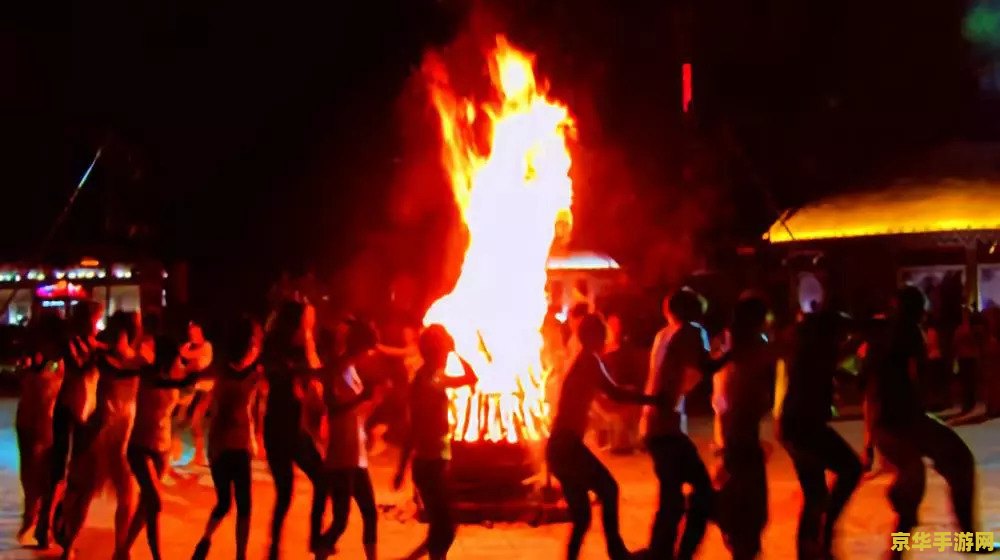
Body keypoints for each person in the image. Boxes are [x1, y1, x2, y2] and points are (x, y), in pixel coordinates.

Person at [862, 286, 997, 558]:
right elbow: (913, 375)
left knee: (913, 490)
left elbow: (868, 387)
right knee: (959, 462)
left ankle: (898, 551)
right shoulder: (908, 332)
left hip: (889, 423)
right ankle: (967, 538)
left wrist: (870, 437)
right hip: (906, 421)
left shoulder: (880, 338)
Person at [548, 313, 658, 560]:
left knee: (582, 517)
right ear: (596, 335)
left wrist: (632, 402)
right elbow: (614, 393)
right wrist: (651, 399)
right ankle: (616, 552)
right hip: (567, 445)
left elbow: (606, 403)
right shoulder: (590, 360)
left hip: (559, 446)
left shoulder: (581, 362)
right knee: (608, 489)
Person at [641, 288, 724, 560]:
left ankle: (661, 551)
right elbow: (706, 367)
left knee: (672, 497)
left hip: (655, 424)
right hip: (667, 427)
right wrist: (735, 353)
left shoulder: (663, 335)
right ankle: (677, 553)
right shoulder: (691, 331)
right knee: (699, 491)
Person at [57, 311, 145, 560]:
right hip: (107, 431)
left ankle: (117, 549)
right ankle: (76, 546)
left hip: (117, 431)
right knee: (95, 492)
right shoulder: (127, 360)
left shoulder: (121, 359)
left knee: (123, 494)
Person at [117, 314, 203, 560]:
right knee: (155, 501)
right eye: (177, 357)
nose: (180, 361)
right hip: (140, 445)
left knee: (147, 507)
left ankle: (122, 550)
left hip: (162, 446)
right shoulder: (148, 374)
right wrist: (186, 380)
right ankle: (157, 557)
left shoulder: (175, 376)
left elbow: (188, 383)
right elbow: (164, 385)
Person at [777, 309, 862, 560]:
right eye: (840, 334)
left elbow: (836, 371)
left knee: (815, 492)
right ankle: (824, 532)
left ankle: (811, 548)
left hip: (796, 426)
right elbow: (838, 359)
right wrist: (861, 339)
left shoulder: (809, 349)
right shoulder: (817, 350)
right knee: (850, 469)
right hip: (805, 426)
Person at [393, 324, 477, 560]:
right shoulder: (425, 381)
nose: (444, 356)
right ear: (433, 352)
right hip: (428, 465)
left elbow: (472, 377)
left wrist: (455, 351)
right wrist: (401, 468)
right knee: (444, 527)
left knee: (443, 527)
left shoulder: (436, 377)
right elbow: (413, 427)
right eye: (442, 351)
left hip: (438, 460)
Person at [192, 316, 265, 560]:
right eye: (254, 342)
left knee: (226, 503)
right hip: (232, 444)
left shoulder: (226, 371)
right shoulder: (245, 374)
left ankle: (205, 540)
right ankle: (237, 555)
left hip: (223, 444)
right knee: (241, 505)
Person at [35, 301, 104, 550]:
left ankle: (57, 522)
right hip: (68, 407)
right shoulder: (74, 341)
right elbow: (79, 365)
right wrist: (98, 353)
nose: (97, 324)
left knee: (75, 470)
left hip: (86, 408)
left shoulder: (93, 342)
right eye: (96, 318)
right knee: (61, 469)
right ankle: (45, 523)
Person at [261, 300, 327, 559]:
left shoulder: (299, 351)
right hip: (278, 429)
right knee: (285, 492)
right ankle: (274, 550)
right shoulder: (275, 351)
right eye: (307, 321)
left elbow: (317, 381)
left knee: (321, 479)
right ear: (295, 323)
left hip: (293, 428)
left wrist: (309, 342)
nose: (311, 325)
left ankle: (314, 538)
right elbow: (287, 377)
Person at [713, 294, 776, 560]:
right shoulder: (751, 354)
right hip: (742, 441)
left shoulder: (733, 353)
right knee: (749, 512)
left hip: (738, 439)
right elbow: (743, 405)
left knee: (745, 513)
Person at [317, 320, 382, 559]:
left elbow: (355, 412)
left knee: (370, 513)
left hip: (357, 455)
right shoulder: (337, 369)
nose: (369, 355)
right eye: (368, 350)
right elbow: (333, 407)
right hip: (341, 457)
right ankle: (321, 551)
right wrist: (361, 398)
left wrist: (372, 403)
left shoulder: (352, 369)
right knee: (341, 521)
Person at [15, 312, 65, 545]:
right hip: (29, 418)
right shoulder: (34, 357)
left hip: (46, 420)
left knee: (42, 472)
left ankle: (40, 519)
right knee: (30, 471)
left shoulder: (59, 360)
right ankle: (33, 517)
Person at [173, 319, 215, 466]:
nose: (192, 334)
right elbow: (180, 365)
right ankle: (176, 449)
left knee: (196, 420)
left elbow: (197, 363)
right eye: (190, 332)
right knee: (179, 418)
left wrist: (184, 357)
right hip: (189, 387)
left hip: (205, 388)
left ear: (201, 331)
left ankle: (199, 455)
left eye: (195, 331)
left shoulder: (206, 346)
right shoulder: (187, 347)